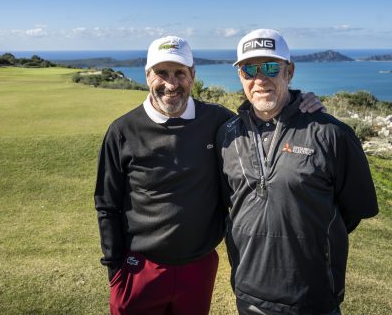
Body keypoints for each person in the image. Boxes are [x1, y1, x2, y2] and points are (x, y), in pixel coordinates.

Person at [94, 35, 323, 315]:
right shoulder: (122, 131)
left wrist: (300, 103)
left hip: (199, 267)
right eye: (161, 73)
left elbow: (265, 116)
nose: (171, 83)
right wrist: (116, 270)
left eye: (180, 73)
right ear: (147, 76)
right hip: (141, 268)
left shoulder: (218, 121)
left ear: (192, 75)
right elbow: (107, 205)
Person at [216, 29, 379, 315]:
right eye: (249, 69)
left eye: (270, 67)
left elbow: (351, 213)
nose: (260, 78)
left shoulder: (332, 134)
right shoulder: (227, 135)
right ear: (240, 75)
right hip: (248, 293)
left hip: (313, 297)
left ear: (289, 72)